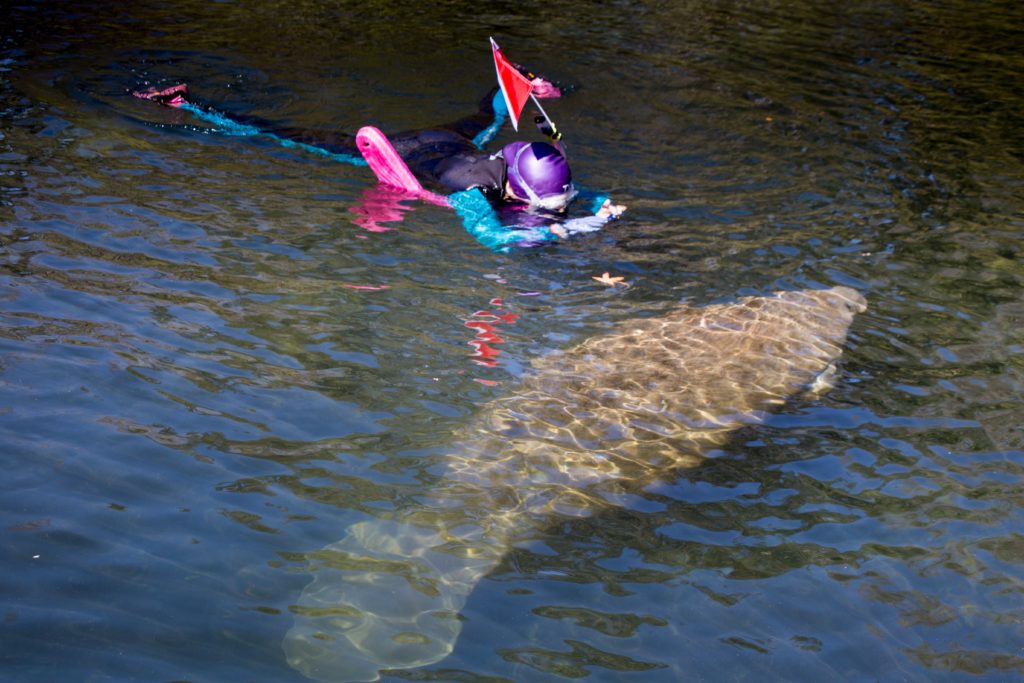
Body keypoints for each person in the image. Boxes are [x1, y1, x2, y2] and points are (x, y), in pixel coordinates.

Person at [133, 70, 625, 250]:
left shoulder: (520, 165)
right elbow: (493, 237)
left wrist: (601, 206)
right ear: (516, 187)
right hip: (411, 157)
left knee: (487, 115)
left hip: (449, 139)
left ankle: (517, 82)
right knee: (273, 134)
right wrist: (562, 230)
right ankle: (186, 105)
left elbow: (574, 192)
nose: (558, 205)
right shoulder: (473, 192)